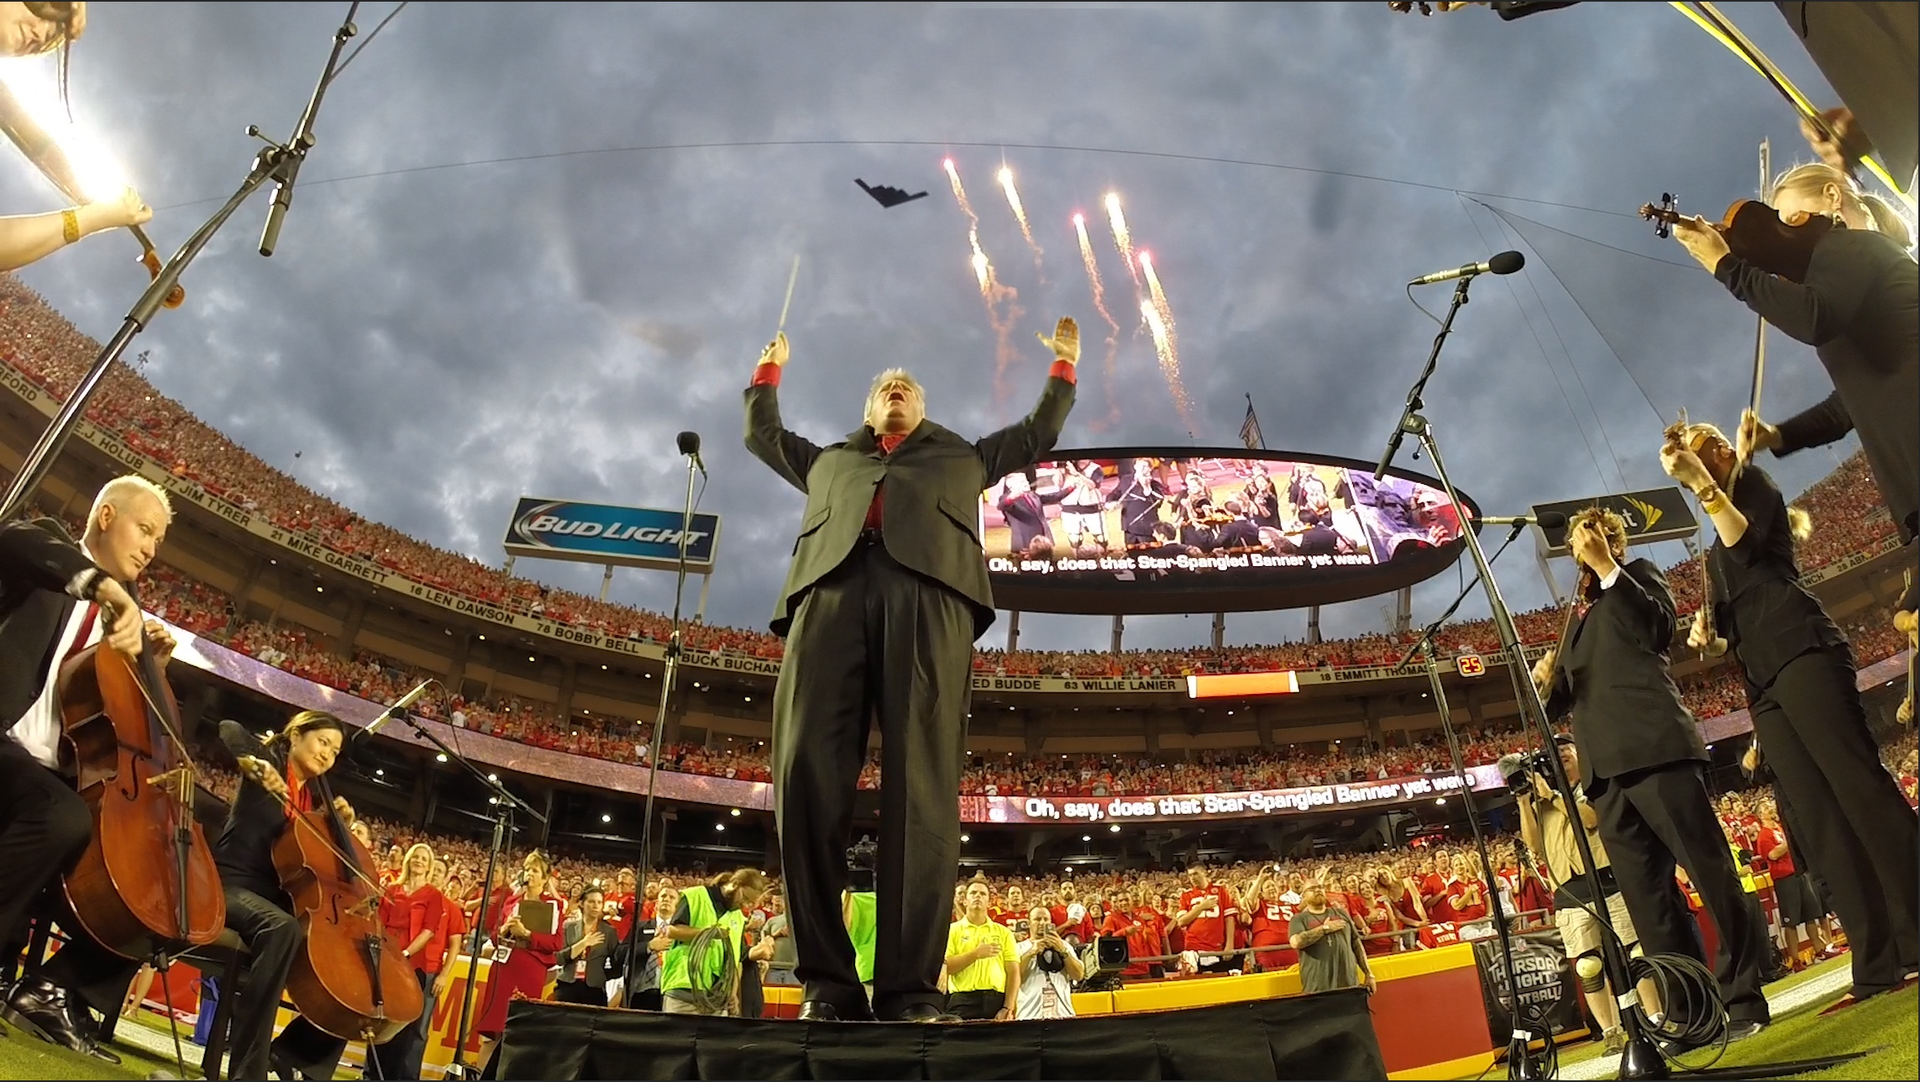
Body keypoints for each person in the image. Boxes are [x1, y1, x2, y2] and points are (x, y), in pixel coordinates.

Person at [743, 317, 1078, 1023]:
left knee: (922, 786)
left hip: (930, 597)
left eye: (907, 388)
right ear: (869, 411)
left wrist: (1064, 371)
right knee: (804, 773)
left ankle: (909, 991)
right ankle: (827, 986)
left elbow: (1033, 435)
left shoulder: (960, 455)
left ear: (920, 410)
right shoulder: (829, 458)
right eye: (884, 388)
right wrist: (767, 375)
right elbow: (763, 437)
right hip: (827, 592)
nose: (896, 390)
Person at [1662, 421, 1919, 1004]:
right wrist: (1708, 636)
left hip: (1803, 648)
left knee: (1860, 789)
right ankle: (1876, 962)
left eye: (1709, 444)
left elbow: (1748, 544)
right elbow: (1727, 633)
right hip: (1762, 680)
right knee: (1818, 816)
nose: (1711, 448)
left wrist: (1702, 482)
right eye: (1700, 448)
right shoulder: (1709, 558)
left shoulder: (1754, 486)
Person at [1533, 507, 1772, 1041]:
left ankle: (1743, 1000)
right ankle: (1692, 1014)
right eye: (1577, 542)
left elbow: (1658, 627)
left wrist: (1609, 567)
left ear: (1612, 539)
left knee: (1711, 875)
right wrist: (1544, 682)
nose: (1581, 547)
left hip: (1656, 750)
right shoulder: (1575, 623)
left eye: (1589, 537)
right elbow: (1555, 710)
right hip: (1604, 777)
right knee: (1649, 905)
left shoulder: (1639, 577)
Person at [1671, 161, 1917, 619]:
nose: (1787, 230)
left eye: (1789, 217)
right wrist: (1777, 435)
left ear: (1832, 197)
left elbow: (1812, 316)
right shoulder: (1854, 270)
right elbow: (1849, 406)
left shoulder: (1852, 245)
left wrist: (1729, 267)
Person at [0, 476, 172, 1064]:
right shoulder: (48, 548)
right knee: (61, 819)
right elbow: (15, 542)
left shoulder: (125, 630)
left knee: (157, 868)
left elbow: (127, 730)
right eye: (144, 530)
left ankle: (55, 989)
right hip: (4, 743)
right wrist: (104, 589)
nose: (150, 549)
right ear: (104, 516)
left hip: (57, 772)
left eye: (157, 541)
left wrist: (153, 671)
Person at [209, 711, 359, 1082]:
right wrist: (254, 762)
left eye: (335, 751)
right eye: (323, 741)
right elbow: (230, 727)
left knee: (347, 960)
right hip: (230, 884)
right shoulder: (270, 765)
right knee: (282, 929)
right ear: (295, 737)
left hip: (269, 897)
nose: (328, 754)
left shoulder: (308, 800)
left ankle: (292, 1054)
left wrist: (334, 823)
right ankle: (247, 1071)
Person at [1515, 734, 1664, 1057]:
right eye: (1555, 753)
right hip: (1569, 890)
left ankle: (1655, 1017)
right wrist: (1523, 802)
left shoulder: (1595, 785)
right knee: (1588, 966)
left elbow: (1591, 819)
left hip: (1608, 879)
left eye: (1565, 749)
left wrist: (1553, 796)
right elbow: (1533, 845)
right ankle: (1611, 1032)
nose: (1561, 756)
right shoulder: (1543, 800)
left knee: (1634, 953)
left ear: (1578, 753)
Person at [471, 851, 565, 1072]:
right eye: (527, 869)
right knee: (491, 1031)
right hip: (504, 967)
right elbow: (494, 936)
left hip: (530, 969)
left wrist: (527, 934)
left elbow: (556, 943)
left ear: (544, 878)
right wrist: (504, 930)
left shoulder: (553, 905)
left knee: (519, 1032)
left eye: (535, 870)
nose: (529, 873)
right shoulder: (511, 901)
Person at [658, 868, 770, 1017]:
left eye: (751, 903)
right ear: (735, 884)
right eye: (745, 899)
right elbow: (673, 931)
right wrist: (709, 933)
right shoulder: (695, 896)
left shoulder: (737, 917)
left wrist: (732, 994)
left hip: (717, 996)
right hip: (684, 988)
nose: (746, 905)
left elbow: (735, 960)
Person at [944, 881, 1018, 1021]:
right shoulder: (952, 931)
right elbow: (947, 967)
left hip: (996, 1001)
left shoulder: (1004, 933)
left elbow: (1013, 972)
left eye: (982, 894)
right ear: (965, 901)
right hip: (962, 1001)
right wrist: (976, 954)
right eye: (973, 893)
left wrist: (1008, 1007)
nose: (977, 896)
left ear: (989, 903)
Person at [1288, 876, 1374, 996]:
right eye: (1312, 889)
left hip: (1348, 983)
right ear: (1304, 897)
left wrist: (1369, 974)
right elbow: (1296, 942)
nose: (1318, 890)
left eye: (1320, 887)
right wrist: (1324, 929)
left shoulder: (1341, 913)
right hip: (1317, 987)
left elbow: (1356, 944)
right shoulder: (1299, 919)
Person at [1014, 907, 1082, 1019]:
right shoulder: (1019, 948)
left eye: (1046, 919)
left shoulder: (1064, 946)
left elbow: (1078, 975)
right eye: (1037, 919)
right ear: (1029, 924)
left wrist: (1063, 951)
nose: (1042, 922)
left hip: (1062, 1015)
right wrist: (1031, 953)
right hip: (1029, 1016)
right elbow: (1013, 978)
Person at [554, 884, 615, 1007]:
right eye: (591, 901)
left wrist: (601, 975)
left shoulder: (609, 932)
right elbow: (558, 958)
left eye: (599, 902)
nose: (596, 906)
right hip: (567, 985)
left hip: (594, 989)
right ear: (582, 903)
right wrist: (584, 943)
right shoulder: (568, 927)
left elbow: (617, 962)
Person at [1172, 865, 1239, 974]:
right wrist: (1201, 907)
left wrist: (1229, 944)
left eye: (1195, 874)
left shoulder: (1220, 891)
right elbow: (1181, 921)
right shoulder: (1186, 895)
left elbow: (1229, 918)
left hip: (1216, 946)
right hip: (1193, 948)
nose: (1192, 878)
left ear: (1205, 873)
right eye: (1190, 875)